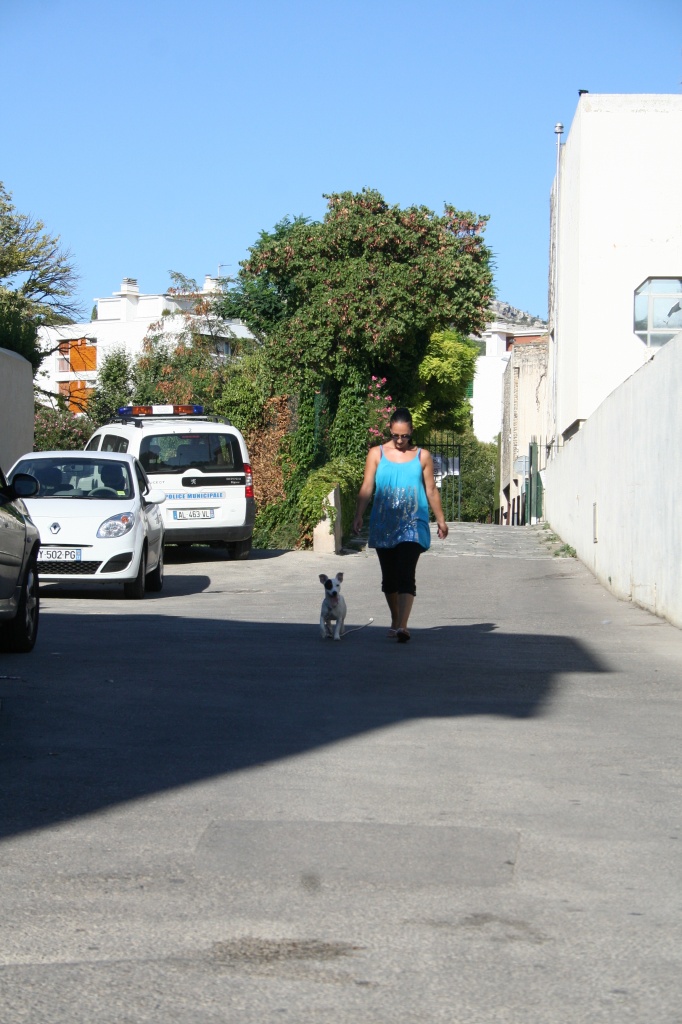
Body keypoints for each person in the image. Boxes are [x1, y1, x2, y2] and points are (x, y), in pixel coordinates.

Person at [352, 408, 449, 643]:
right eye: (395, 435)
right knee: (389, 578)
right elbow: (367, 487)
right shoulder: (376, 454)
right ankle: (396, 619)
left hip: (413, 523)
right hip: (384, 522)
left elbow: (431, 490)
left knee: (406, 572)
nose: (399, 440)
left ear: (411, 432)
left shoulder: (422, 456)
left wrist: (440, 519)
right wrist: (358, 515)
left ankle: (403, 626)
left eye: (404, 436)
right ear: (390, 431)